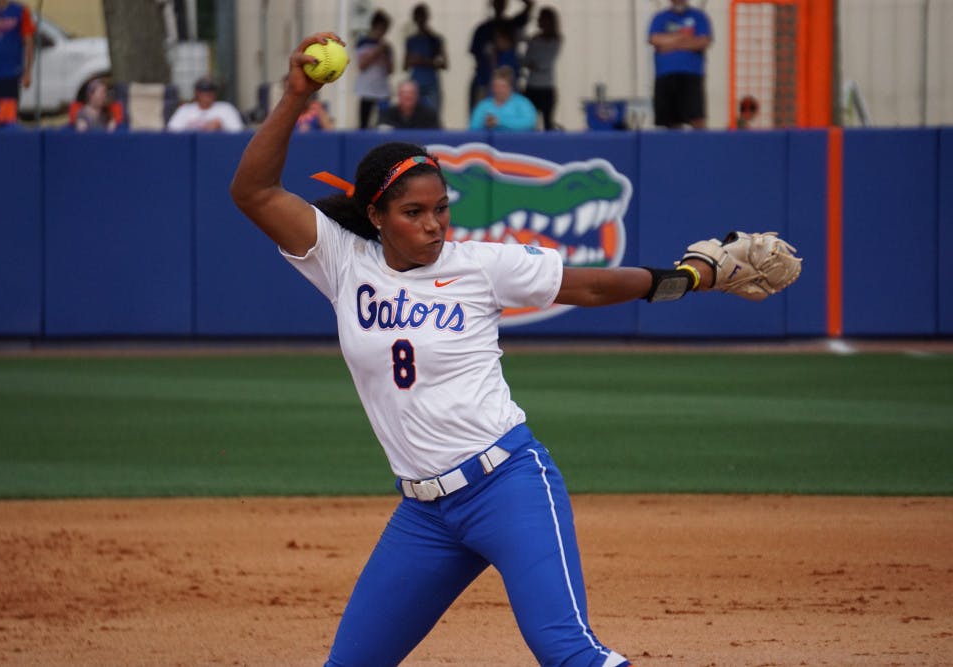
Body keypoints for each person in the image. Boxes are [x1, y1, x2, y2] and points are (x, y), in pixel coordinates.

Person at [230, 31, 731, 667]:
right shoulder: (342, 261)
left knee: (565, 650)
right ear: (376, 215)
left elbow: (594, 283)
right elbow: (253, 193)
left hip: (507, 485)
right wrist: (295, 96)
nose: (435, 224)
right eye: (415, 212)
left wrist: (690, 276)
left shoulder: (479, 265)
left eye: (442, 208)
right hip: (424, 516)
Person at [647, 0, 713, 129]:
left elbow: (703, 41)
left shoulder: (698, 16)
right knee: (670, 120)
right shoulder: (660, 17)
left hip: (691, 74)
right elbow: (655, 40)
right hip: (665, 75)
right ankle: (674, 147)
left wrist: (670, 43)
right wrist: (683, 38)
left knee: (696, 117)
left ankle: (701, 145)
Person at [468, 0, 534, 113]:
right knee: (480, 116)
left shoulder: (511, 26)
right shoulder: (483, 29)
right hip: (484, 82)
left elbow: (529, 7)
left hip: (506, 89)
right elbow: (475, 54)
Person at [522, 5, 563, 131]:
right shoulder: (534, 39)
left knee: (547, 123)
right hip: (531, 86)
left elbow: (546, 62)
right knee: (530, 122)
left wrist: (534, 64)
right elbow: (526, 60)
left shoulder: (556, 40)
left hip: (546, 87)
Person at [403, 3, 447, 114]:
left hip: (432, 84)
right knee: (412, 117)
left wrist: (423, 61)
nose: (420, 19)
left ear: (427, 17)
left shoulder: (436, 39)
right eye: (418, 16)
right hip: (415, 84)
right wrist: (413, 61)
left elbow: (445, 64)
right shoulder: (410, 40)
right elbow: (405, 66)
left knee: (433, 117)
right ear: (414, 18)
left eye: (422, 16)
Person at [354, 9, 394, 130]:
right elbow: (362, 65)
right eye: (381, 29)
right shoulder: (363, 42)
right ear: (375, 26)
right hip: (366, 90)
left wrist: (385, 53)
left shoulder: (387, 47)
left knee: (384, 125)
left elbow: (391, 70)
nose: (383, 33)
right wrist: (378, 50)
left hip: (383, 91)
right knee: (364, 124)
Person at [469, 66, 537, 131]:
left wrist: (499, 121)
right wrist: (485, 124)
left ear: (511, 87)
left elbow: (529, 123)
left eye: (503, 86)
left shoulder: (523, 103)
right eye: (496, 86)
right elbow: (473, 128)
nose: (499, 90)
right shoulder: (483, 105)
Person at [166, 76, 244, 132]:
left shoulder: (226, 108)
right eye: (203, 90)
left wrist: (221, 125)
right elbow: (172, 131)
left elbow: (238, 131)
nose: (207, 94)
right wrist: (197, 127)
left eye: (211, 90)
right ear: (197, 93)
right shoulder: (185, 110)